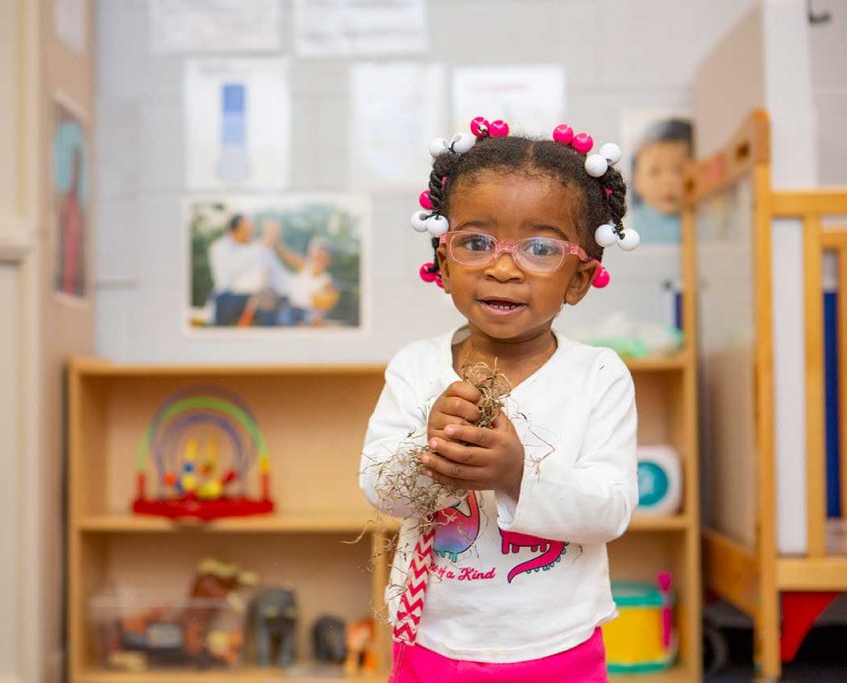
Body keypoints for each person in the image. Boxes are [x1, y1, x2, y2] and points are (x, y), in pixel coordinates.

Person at [359, 119, 640, 682]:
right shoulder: (417, 367)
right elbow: (380, 488)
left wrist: (517, 474)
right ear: (442, 263)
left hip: (558, 647)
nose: (502, 266)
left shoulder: (599, 376)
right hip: (433, 642)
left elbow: (611, 510)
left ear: (580, 277)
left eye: (540, 247)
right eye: (476, 242)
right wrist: (427, 447)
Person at [207, 214, 288, 326]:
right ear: (232, 232)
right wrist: (263, 245)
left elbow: (277, 272)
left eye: (251, 229)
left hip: (259, 296)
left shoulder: (258, 246)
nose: (250, 233)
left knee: (270, 301)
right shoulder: (219, 248)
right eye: (245, 229)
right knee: (222, 300)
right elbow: (230, 275)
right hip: (230, 297)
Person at [628, 118, 693, 244]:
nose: (667, 182)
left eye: (679, 171)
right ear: (637, 180)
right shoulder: (629, 225)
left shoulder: (708, 222)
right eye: (655, 172)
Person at [276, 236, 341, 326]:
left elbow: (330, 300)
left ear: (328, 261)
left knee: (311, 319)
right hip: (293, 306)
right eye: (317, 256)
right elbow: (288, 256)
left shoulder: (326, 279)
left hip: (309, 310)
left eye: (323, 258)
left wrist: (320, 312)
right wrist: (277, 242)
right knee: (284, 318)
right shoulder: (304, 266)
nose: (318, 261)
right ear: (311, 255)